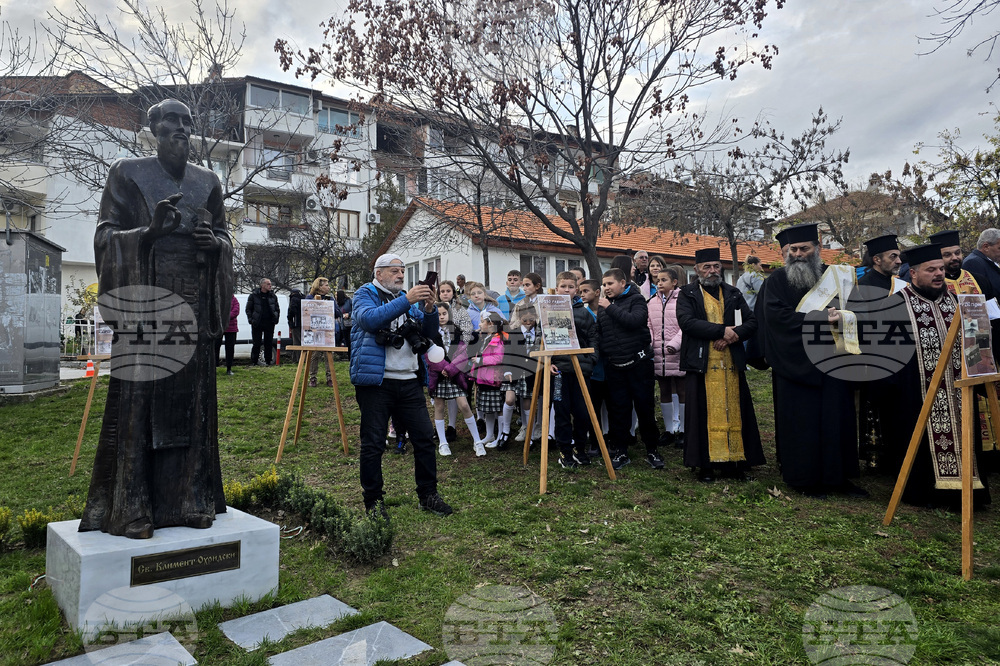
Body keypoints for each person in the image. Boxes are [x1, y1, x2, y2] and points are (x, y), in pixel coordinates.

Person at [79, 98, 233, 539]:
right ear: (154, 129)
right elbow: (105, 237)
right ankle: (132, 508)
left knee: (194, 408)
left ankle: (189, 499)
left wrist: (213, 242)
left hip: (193, 307)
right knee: (140, 409)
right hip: (146, 309)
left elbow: (224, 238)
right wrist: (148, 234)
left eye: (187, 122)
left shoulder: (209, 181)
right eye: (171, 121)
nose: (181, 129)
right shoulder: (128, 172)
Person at [755, 223, 863, 499]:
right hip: (794, 366)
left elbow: (859, 312)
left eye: (805, 248)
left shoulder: (838, 278)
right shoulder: (776, 281)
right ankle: (803, 478)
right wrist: (819, 319)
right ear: (786, 252)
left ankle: (837, 477)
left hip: (833, 362)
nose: (799, 254)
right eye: (794, 249)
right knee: (800, 423)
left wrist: (844, 318)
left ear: (818, 249)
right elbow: (776, 319)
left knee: (836, 419)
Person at [880, 244, 991, 508]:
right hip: (914, 394)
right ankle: (924, 492)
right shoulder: (895, 305)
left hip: (958, 391)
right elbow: (886, 355)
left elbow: (978, 346)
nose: (939, 274)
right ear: (914, 274)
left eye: (941, 269)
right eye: (931, 270)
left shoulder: (959, 302)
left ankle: (966, 492)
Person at [350, 253, 452, 518]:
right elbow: (369, 320)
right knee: (373, 443)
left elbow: (429, 334)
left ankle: (428, 495)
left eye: (402, 271)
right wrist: (407, 301)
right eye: (394, 271)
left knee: (424, 439)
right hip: (376, 382)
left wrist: (428, 309)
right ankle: (373, 502)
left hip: (408, 380)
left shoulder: (407, 297)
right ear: (379, 272)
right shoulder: (365, 293)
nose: (399, 275)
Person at [677, 248, 764, 482]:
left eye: (716, 266)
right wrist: (720, 330)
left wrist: (730, 336)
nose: (712, 271)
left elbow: (752, 322)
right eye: (706, 267)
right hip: (701, 364)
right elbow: (687, 322)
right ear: (697, 270)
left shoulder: (733, 292)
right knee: (702, 414)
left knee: (735, 411)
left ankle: (735, 463)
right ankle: (705, 465)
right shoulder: (687, 294)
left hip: (732, 363)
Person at [597, 268, 663, 470]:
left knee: (645, 408)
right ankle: (621, 451)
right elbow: (600, 334)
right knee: (619, 410)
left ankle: (652, 450)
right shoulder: (603, 307)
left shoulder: (636, 300)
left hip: (639, 365)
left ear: (623, 283)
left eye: (610, 284)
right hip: (615, 367)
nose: (606, 288)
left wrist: (609, 307)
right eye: (604, 284)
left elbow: (634, 322)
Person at [552, 271, 599, 468]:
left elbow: (593, 338)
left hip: (581, 370)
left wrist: (591, 359)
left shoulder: (584, 312)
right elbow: (540, 339)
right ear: (557, 288)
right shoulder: (548, 310)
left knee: (582, 412)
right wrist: (547, 363)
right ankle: (565, 451)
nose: (567, 290)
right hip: (559, 371)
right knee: (561, 412)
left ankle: (580, 448)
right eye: (564, 286)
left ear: (576, 289)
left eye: (571, 287)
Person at [427, 303, 485, 456]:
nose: (441, 317)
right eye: (438, 314)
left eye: (444, 313)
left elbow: (462, 355)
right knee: (439, 407)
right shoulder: (431, 333)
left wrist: (451, 369)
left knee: (464, 405)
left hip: (455, 375)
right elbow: (429, 356)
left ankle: (477, 441)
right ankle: (443, 443)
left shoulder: (457, 333)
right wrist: (443, 369)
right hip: (438, 376)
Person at [648, 267, 685, 447]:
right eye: (658, 281)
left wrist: (674, 344)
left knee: (682, 390)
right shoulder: (652, 302)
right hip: (658, 354)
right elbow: (648, 325)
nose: (660, 283)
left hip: (677, 353)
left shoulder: (683, 300)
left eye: (664, 280)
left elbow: (686, 325)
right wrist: (650, 343)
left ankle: (684, 430)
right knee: (664, 390)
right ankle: (669, 430)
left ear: (674, 282)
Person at [469, 312, 510, 448]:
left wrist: (481, 360)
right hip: (484, 378)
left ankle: (499, 436)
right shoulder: (487, 338)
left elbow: (498, 358)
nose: (480, 324)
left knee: (497, 408)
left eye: (482, 322)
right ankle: (489, 434)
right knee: (488, 409)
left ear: (491, 324)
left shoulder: (497, 340)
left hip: (493, 379)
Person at [579, 278, 608, 456]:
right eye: (580, 291)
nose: (582, 294)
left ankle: (610, 439)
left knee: (612, 407)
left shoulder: (608, 310)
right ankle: (595, 442)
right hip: (592, 368)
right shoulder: (583, 314)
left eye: (586, 291)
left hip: (610, 365)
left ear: (597, 292)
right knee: (593, 406)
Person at [306, 277, 339, 387]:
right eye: (326, 285)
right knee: (314, 355)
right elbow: (305, 313)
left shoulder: (330, 298)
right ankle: (312, 378)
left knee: (328, 354)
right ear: (319, 287)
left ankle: (330, 378)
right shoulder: (309, 298)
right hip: (314, 331)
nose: (328, 287)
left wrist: (329, 306)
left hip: (327, 331)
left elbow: (337, 312)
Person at [247, 278, 279, 366]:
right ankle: (254, 361)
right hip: (257, 322)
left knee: (268, 343)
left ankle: (268, 361)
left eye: (270, 284)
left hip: (269, 322)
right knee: (256, 343)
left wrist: (276, 318)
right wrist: (251, 320)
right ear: (262, 285)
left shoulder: (273, 296)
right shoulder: (254, 295)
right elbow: (248, 309)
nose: (270, 285)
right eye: (268, 284)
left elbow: (277, 308)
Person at [215, 295, 239, 375]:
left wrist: (225, 317)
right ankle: (214, 366)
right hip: (218, 327)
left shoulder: (234, 299)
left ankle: (229, 368)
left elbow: (236, 311)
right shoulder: (217, 298)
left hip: (231, 327)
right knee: (215, 347)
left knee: (230, 348)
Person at [287, 287, 303, 364]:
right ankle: (296, 358)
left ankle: (298, 359)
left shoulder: (293, 299)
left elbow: (292, 311)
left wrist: (290, 320)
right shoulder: (303, 298)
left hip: (296, 323)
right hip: (304, 323)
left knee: (297, 341)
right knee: (301, 341)